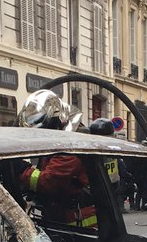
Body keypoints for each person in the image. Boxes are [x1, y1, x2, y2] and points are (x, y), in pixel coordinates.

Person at [18, 91, 97, 228]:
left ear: (56, 122)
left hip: (78, 221)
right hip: (59, 215)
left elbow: (48, 180)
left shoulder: (72, 145)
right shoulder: (58, 140)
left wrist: (21, 169)